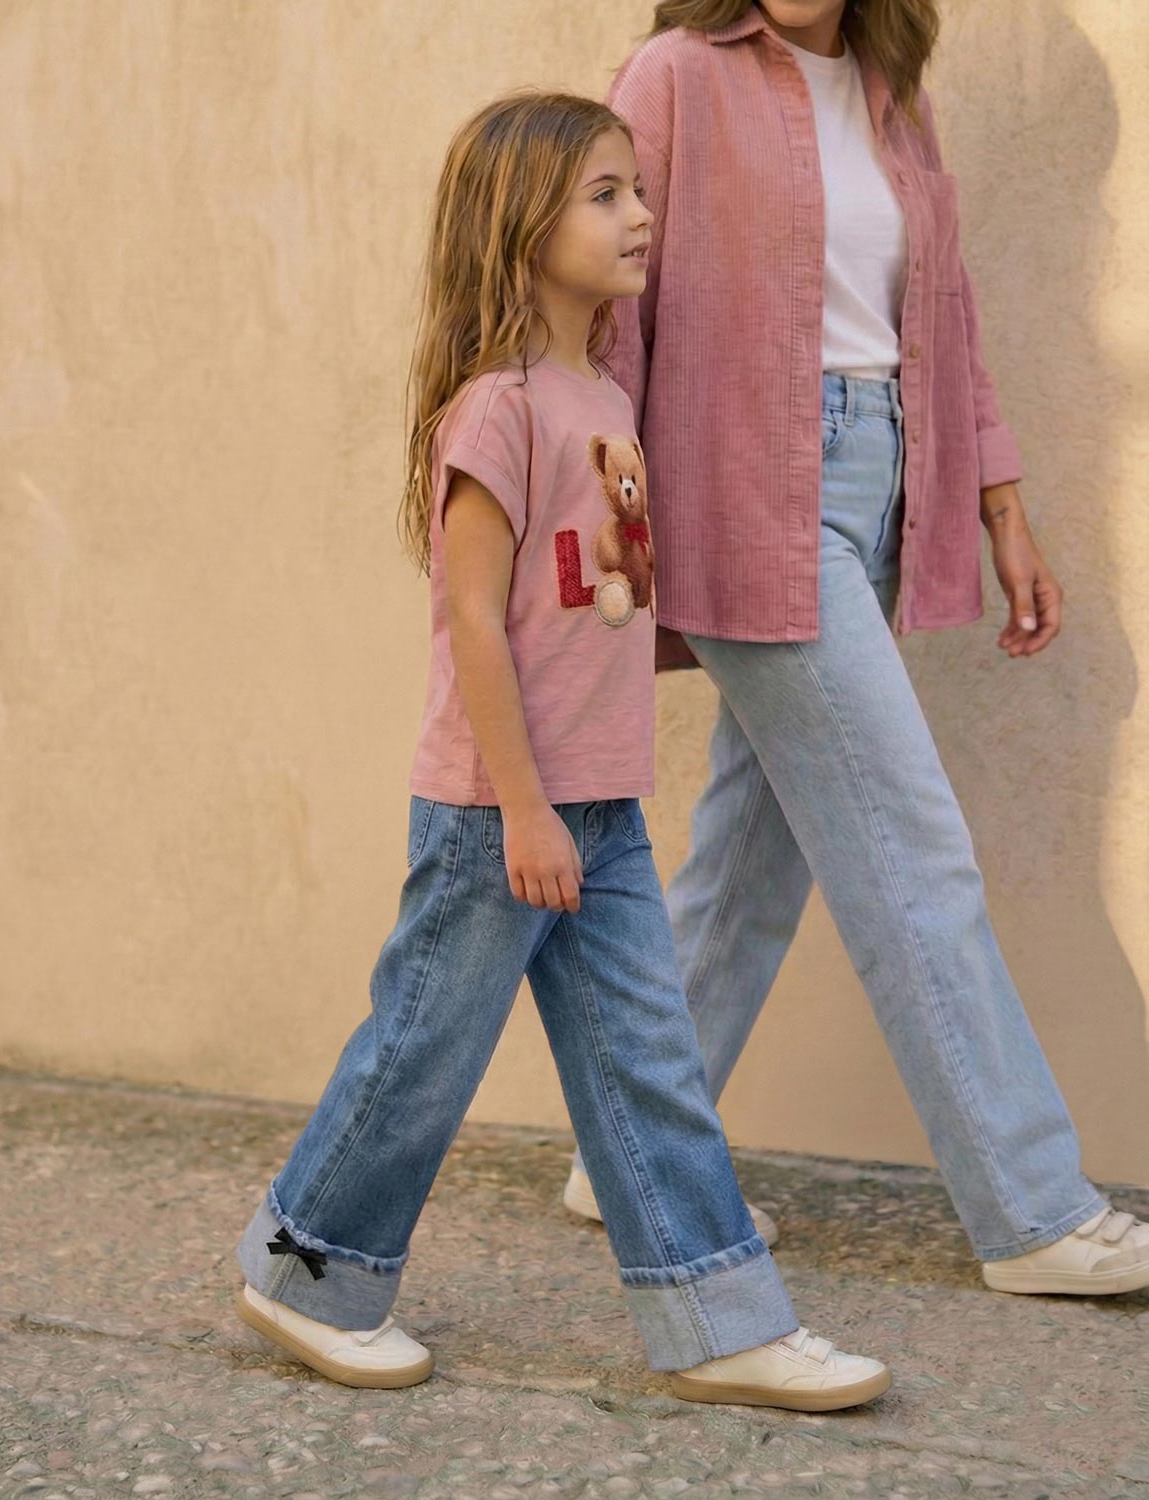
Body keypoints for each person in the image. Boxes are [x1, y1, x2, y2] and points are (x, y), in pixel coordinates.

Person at [233, 90, 892, 1410]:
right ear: (519, 224)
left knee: (651, 1055)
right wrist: (524, 810)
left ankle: (717, 1315)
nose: (639, 214)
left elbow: (590, 592)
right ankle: (307, 1270)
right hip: (503, 813)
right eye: (605, 194)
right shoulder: (497, 410)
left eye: (636, 190)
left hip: (597, 804)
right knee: (425, 1043)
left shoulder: (600, 390)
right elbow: (469, 622)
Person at [561, 0, 1149, 1300]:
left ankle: (624, 1149)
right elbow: (612, 310)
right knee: (912, 850)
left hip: (881, 484)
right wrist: (605, 510)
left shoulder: (891, 96)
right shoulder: (672, 78)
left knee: (749, 865)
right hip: (749, 491)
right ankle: (1035, 1211)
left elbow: (946, 319)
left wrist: (1000, 503)